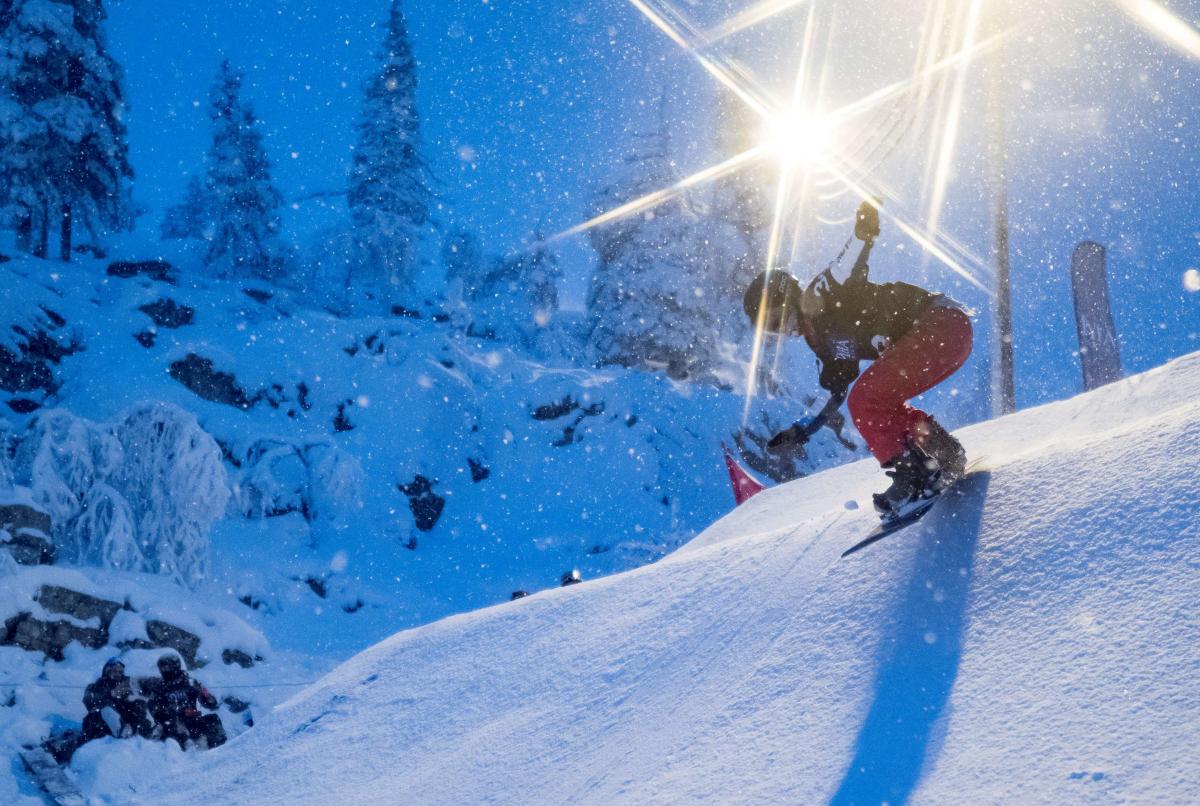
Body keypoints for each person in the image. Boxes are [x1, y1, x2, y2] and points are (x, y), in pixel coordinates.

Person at [743, 201, 973, 521]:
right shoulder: (826, 348)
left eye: (774, 318)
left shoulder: (819, 294)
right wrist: (799, 432)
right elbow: (831, 393)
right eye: (769, 329)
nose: (780, 330)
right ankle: (943, 454)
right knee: (877, 403)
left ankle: (916, 477)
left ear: (786, 296)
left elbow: (846, 265)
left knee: (865, 398)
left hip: (938, 324)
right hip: (947, 338)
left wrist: (863, 231)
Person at [146, 653, 227, 750]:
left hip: (192, 722)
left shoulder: (190, 682)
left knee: (213, 719)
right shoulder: (160, 687)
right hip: (172, 724)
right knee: (169, 725)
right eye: (162, 668)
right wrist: (174, 712)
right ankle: (183, 753)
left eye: (167, 667)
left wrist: (207, 697)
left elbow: (211, 704)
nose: (164, 670)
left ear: (175, 666)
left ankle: (220, 752)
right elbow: (152, 707)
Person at [81, 657, 154, 743]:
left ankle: (146, 730)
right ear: (107, 671)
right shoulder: (96, 685)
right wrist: (111, 694)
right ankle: (121, 731)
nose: (118, 674)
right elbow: (89, 699)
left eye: (120, 672)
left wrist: (139, 693)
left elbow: (142, 690)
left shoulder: (127, 682)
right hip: (102, 723)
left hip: (125, 717)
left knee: (139, 703)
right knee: (106, 707)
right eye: (114, 671)